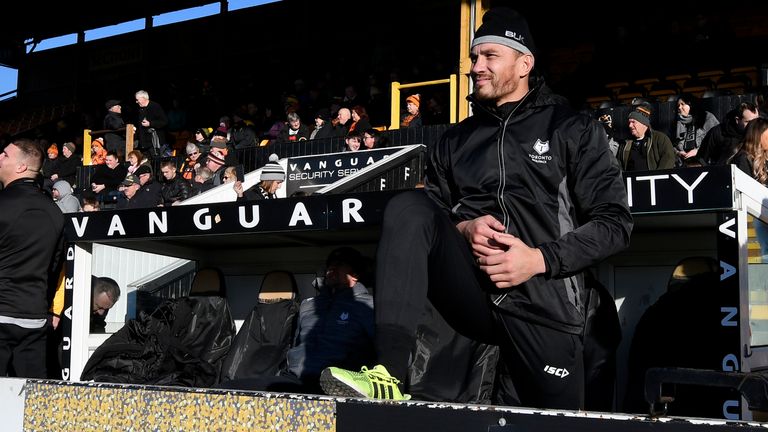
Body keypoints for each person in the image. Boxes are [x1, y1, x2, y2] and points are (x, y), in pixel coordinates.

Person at [319, 7, 632, 409]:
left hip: (543, 302)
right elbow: (434, 216)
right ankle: (389, 373)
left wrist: (538, 259)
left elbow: (615, 224)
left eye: (489, 56)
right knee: (408, 206)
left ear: (524, 64)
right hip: (471, 296)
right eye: (473, 57)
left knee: (554, 421)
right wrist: (464, 227)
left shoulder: (572, 127)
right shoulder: (454, 140)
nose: (475, 67)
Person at [219, 247, 375, 394]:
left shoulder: (368, 306)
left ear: (355, 273)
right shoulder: (308, 305)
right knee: (225, 391)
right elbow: (295, 345)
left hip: (336, 384)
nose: (331, 268)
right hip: (295, 379)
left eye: (340, 264)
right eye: (330, 264)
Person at [0, 138, 66, 378]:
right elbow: (55, 267)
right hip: (33, 319)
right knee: (28, 403)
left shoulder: (4, 205)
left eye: (5, 155)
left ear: (21, 167)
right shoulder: (55, 213)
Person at [616, 103, 676, 171]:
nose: (630, 125)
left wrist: (657, 177)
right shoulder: (625, 143)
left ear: (644, 123)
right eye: (629, 122)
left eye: (633, 122)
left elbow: (668, 159)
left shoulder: (660, 139)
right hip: (631, 180)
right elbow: (619, 164)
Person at [672, 93, 719, 166]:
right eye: (678, 105)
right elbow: (670, 145)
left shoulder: (706, 117)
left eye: (682, 104)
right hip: (683, 164)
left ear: (690, 104)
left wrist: (698, 151)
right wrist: (678, 153)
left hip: (705, 163)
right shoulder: (675, 123)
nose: (679, 107)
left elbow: (717, 140)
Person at [134, 89, 169, 158]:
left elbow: (164, 121)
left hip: (155, 144)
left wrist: (150, 124)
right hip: (144, 144)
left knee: (157, 163)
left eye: (137, 99)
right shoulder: (140, 109)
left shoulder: (155, 106)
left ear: (143, 98)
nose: (136, 102)